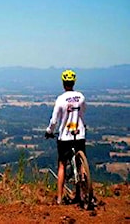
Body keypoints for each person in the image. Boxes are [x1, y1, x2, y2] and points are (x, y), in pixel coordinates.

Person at [45, 69, 86, 205]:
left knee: (62, 165)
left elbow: (54, 121)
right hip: (79, 134)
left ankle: (59, 198)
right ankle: (83, 193)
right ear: (73, 82)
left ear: (63, 83)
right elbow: (83, 112)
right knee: (81, 164)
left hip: (65, 137)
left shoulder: (61, 99)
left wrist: (49, 131)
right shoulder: (81, 97)